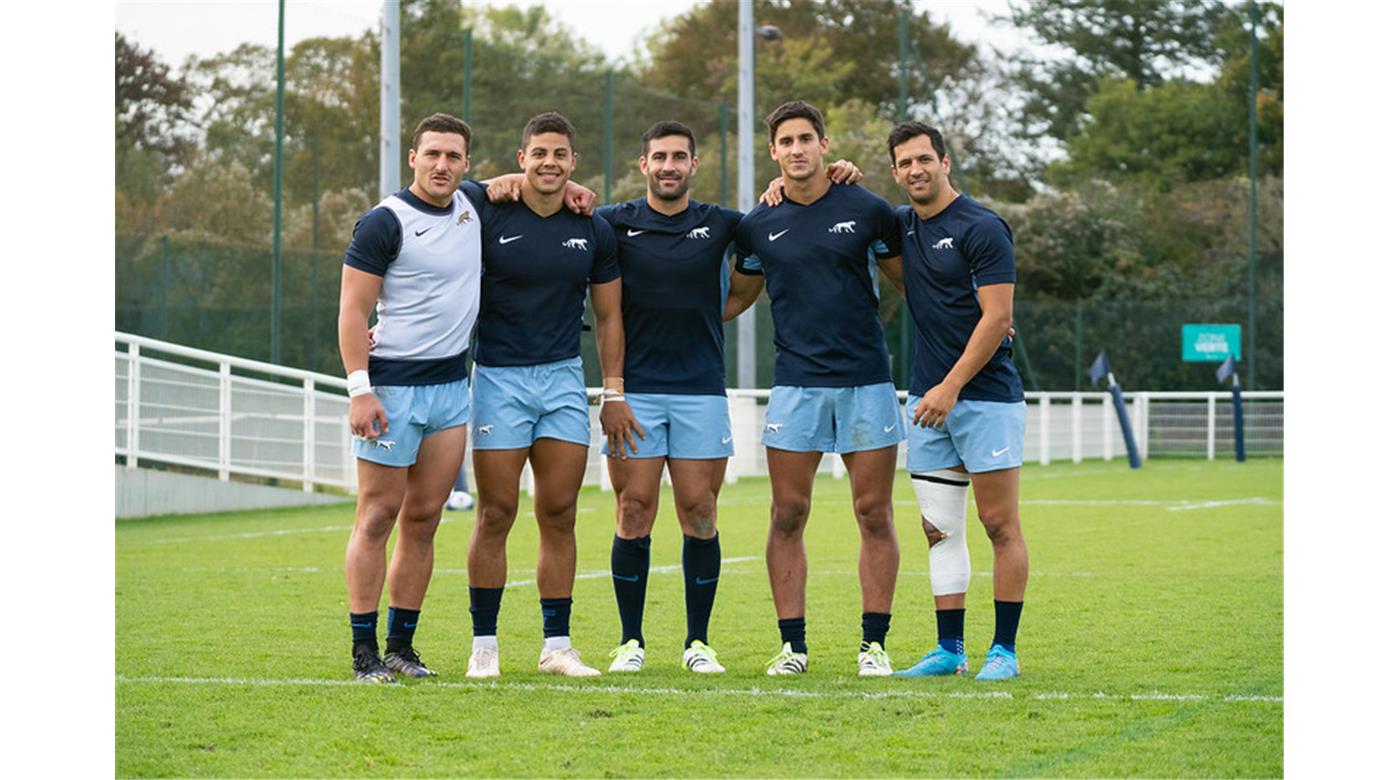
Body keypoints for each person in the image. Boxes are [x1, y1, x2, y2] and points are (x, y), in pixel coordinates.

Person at [487, 122, 864, 675]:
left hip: (701, 390)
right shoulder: (609, 221)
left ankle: (697, 643)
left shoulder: (722, 224)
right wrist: (511, 179)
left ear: (694, 165)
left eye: (679, 157)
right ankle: (630, 642)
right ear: (643, 165)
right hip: (633, 392)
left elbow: (773, 230)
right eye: (659, 157)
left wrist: (835, 179)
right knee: (633, 510)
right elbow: (546, 198)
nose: (668, 166)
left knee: (701, 512)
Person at [726, 101, 906, 677]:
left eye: (807, 138)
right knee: (787, 513)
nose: (798, 148)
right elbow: (734, 299)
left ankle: (873, 645)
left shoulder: (870, 209)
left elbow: (913, 282)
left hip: (867, 383)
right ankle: (793, 648)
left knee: (874, 512)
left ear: (825, 146)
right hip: (796, 386)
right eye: (787, 141)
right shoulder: (757, 223)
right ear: (773, 153)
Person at [464, 111, 641, 679]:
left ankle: (556, 647)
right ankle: (484, 647)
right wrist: (486, 182)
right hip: (498, 378)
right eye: (538, 153)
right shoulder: (488, 209)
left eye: (560, 154)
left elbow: (610, 316)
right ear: (522, 159)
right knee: (495, 512)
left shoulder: (592, 225)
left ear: (573, 162)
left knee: (559, 513)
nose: (549, 163)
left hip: (564, 379)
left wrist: (613, 390)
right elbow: (436, 191)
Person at [337, 113, 482, 683]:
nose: (442, 165)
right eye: (432, 155)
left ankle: (402, 646)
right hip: (392, 387)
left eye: (453, 156)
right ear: (413, 159)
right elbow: (352, 310)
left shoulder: (474, 206)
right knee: (377, 517)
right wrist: (360, 390)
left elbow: (524, 183)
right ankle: (363, 653)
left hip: (452, 388)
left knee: (424, 520)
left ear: (467, 163)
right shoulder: (384, 222)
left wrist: (572, 186)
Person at [884, 121, 1029, 681]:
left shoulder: (983, 226)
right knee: (938, 528)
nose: (916, 170)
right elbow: (840, 199)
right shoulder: (899, 226)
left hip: (985, 399)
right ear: (896, 173)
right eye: (905, 164)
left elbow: (999, 317)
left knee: (999, 524)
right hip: (927, 402)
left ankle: (1005, 651)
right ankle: (949, 650)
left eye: (925, 159)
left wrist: (952, 387)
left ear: (946, 162)